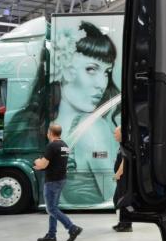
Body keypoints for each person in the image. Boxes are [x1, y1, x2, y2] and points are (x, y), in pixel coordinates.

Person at [6, 21, 120, 204]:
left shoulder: (91, 128)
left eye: (107, 72)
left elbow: (114, 196)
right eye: (91, 69)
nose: (102, 84)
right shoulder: (91, 128)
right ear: (65, 69)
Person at [33, 123, 83, 241]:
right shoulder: (64, 145)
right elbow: (55, 162)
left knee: (51, 209)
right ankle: (51, 235)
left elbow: (43, 164)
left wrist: (37, 161)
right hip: (61, 179)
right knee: (54, 208)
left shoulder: (52, 146)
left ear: (50, 133)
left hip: (52, 181)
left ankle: (72, 228)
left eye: (48, 132)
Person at [112, 125, 132, 232]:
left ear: (121, 133)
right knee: (117, 199)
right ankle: (122, 222)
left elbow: (125, 162)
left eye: (115, 133)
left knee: (123, 201)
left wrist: (118, 174)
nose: (114, 135)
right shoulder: (122, 145)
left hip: (124, 179)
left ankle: (126, 225)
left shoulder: (126, 144)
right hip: (121, 179)